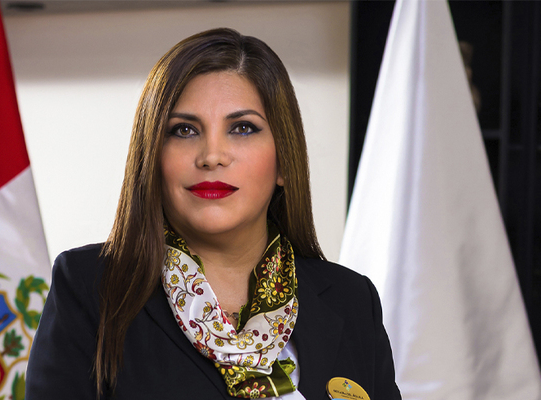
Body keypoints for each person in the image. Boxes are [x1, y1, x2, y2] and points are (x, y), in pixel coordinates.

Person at [26, 28, 401, 400]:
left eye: (242, 128)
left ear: (284, 162)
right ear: (152, 157)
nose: (211, 156)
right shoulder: (89, 289)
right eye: (184, 130)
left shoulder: (353, 301)